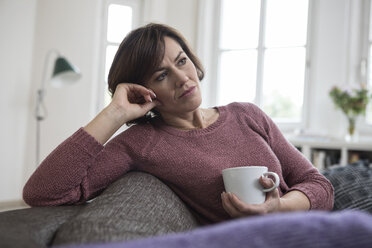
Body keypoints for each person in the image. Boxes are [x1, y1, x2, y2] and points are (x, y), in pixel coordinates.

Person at [23, 23, 334, 225]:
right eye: (161, 75)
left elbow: (318, 185)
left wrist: (278, 208)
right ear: (143, 91)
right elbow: (43, 193)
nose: (182, 77)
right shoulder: (141, 143)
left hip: (306, 226)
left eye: (182, 61)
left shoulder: (247, 114)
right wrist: (114, 113)